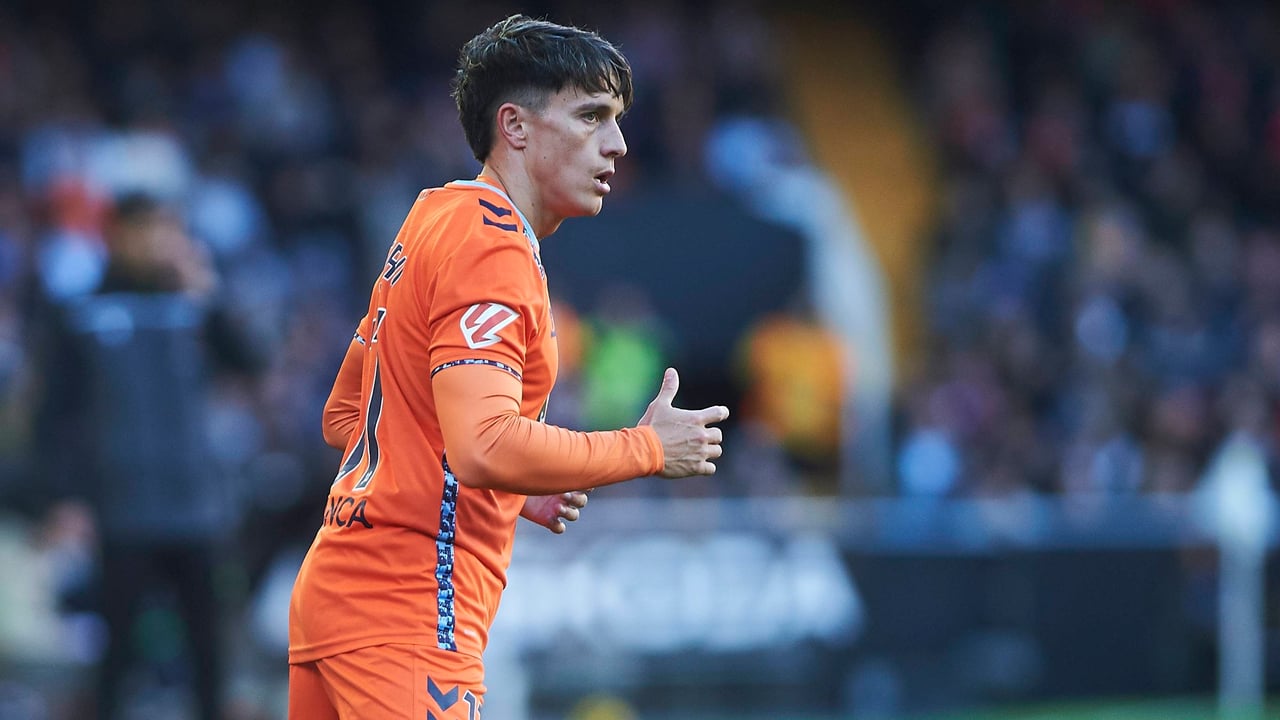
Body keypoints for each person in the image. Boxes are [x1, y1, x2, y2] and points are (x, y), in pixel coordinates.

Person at [287, 14, 729, 720]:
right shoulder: (493, 246)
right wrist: (647, 448)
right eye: (591, 116)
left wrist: (512, 492)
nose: (617, 144)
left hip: (339, 596)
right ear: (515, 127)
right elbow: (484, 444)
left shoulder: (435, 217)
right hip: (410, 605)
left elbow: (348, 415)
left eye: (617, 120)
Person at [35, 193, 258, 720]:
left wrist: (209, 294)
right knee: (118, 650)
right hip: (121, 507)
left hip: (196, 505)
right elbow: (54, 416)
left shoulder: (193, 306)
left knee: (208, 647)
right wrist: (64, 498)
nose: (156, 241)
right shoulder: (82, 312)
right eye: (145, 229)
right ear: (115, 235)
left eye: (165, 229)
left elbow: (250, 363)